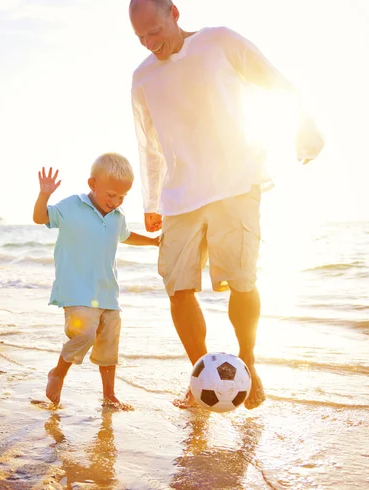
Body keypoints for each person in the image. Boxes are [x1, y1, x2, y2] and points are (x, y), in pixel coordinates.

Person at [129, 0, 324, 409]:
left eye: (154, 32)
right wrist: (151, 200)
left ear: (174, 14)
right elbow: (148, 144)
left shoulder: (218, 41)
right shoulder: (143, 76)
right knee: (178, 289)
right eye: (141, 37)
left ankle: (247, 366)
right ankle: (202, 375)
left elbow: (272, 80)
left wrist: (305, 125)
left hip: (236, 182)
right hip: (180, 195)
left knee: (242, 280)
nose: (150, 43)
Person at [33, 153, 159, 409]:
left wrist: (152, 241)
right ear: (92, 184)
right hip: (76, 290)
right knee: (84, 334)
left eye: (122, 197)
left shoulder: (118, 216)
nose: (115, 201)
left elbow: (125, 236)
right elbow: (40, 217)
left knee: (109, 346)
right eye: (111, 194)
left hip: (108, 293)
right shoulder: (71, 206)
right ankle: (58, 372)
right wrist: (45, 194)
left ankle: (109, 395)